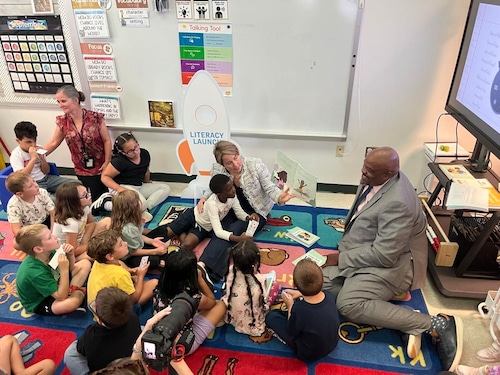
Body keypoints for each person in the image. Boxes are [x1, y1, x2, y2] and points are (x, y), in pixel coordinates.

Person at [321, 146, 463, 372]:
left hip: (394, 264)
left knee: (348, 305)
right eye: (365, 166)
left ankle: (436, 324)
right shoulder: (377, 176)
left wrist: (342, 258)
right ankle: (397, 318)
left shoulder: (399, 203)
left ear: (388, 174)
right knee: (317, 283)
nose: (362, 172)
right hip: (368, 250)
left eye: (368, 171)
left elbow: (385, 255)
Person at [197, 141, 294, 282]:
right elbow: (213, 186)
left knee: (235, 230)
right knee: (221, 229)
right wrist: (204, 198)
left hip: (256, 213)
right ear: (223, 165)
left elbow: (269, 187)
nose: (235, 164)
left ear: (239, 153)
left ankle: (210, 271)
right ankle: (203, 266)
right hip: (232, 207)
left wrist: (280, 197)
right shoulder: (218, 169)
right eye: (229, 163)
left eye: (236, 157)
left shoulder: (255, 165)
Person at [151, 174, 258, 261]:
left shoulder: (232, 197)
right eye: (229, 189)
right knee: (164, 234)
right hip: (191, 216)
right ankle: (145, 235)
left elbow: (239, 212)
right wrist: (238, 239)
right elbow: (218, 232)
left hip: (203, 227)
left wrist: (248, 217)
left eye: (232, 186)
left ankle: (181, 232)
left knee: (186, 246)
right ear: (220, 194)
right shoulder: (213, 204)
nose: (233, 190)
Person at [150, 247, 226, 358]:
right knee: (221, 305)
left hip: (160, 336)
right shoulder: (192, 296)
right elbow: (212, 301)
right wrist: (199, 278)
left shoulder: (160, 286)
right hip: (181, 345)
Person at [44, 85, 112, 200]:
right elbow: (54, 142)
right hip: (81, 168)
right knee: (89, 198)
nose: (60, 105)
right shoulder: (62, 121)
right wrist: (38, 155)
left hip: (101, 165)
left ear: (75, 100)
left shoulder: (95, 118)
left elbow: (107, 141)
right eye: (58, 102)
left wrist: (107, 162)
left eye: (63, 101)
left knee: (105, 195)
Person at [265, 258, 339, 362]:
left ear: (294, 285)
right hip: (332, 343)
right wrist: (300, 294)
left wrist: (290, 305)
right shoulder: (329, 295)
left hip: (307, 353)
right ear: (323, 279)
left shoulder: (299, 309)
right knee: (287, 316)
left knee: (271, 317)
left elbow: (291, 331)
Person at [14, 223, 91, 316]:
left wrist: (70, 255)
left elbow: (70, 269)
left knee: (85, 263)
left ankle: (73, 290)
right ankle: (75, 291)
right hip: (40, 301)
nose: (55, 237)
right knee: (72, 303)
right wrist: (63, 270)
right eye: (49, 237)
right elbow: (61, 297)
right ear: (38, 249)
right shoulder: (35, 272)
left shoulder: (49, 252)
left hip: (55, 283)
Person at [63, 287, 142, 375]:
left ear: (100, 321)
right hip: (130, 362)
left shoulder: (92, 335)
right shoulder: (134, 318)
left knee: (70, 352)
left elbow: (81, 349)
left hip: (106, 371)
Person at [94, 132, 170, 218]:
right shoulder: (119, 161)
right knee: (142, 203)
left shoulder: (144, 154)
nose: (136, 152)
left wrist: (147, 182)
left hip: (138, 186)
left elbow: (146, 170)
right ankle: (107, 202)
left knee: (165, 188)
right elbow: (104, 177)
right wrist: (120, 189)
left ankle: (146, 209)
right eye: (130, 151)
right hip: (122, 187)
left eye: (136, 147)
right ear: (123, 152)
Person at [86, 229, 158, 310]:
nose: (126, 243)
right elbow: (134, 299)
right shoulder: (120, 274)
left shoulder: (98, 261)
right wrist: (141, 276)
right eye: (121, 244)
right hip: (113, 314)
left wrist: (130, 271)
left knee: (135, 278)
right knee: (154, 283)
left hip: (96, 308)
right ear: (110, 256)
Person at [98, 190, 168, 270]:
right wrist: (154, 251)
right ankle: (159, 262)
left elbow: (138, 235)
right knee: (153, 260)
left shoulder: (132, 220)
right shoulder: (127, 229)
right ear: (131, 208)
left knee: (162, 231)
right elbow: (133, 251)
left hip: (138, 245)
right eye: (137, 201)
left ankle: (161, 258)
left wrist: (151, 241)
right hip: (130, 256)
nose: (140, 202)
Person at [221, 240, 269, 337]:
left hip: (232, 317)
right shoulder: (259, 282)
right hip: (252, 323)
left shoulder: (230, 270)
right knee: (274, 286)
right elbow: (261, 303)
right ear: (256, 262)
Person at [10, 121, 73, 195]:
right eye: (28, 142)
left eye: (34, 141)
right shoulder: (16, 155)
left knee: (76, 184)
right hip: (32, 183)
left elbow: (46, 171)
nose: (33, 145)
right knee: (53, 200)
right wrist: (33, 159)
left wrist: (42, 159)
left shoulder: (39, 148)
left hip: (46, 179)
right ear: (18, 141)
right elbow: (22, 177)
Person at [52, 181, 106, 262]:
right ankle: (76, 261)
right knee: (98, 253)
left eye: (87, 192)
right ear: (74, 202)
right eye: (85, 195)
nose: (89, 195)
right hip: (68, 254)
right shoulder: (70, 223)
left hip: (81, 241)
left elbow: (91, 223)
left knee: (107, 221)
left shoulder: (84, 207)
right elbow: (73, 251)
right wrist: (92, 244)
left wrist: (85, 240)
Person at [6, 171, 54, 236]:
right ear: (20, 194)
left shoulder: (42, 192)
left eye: (34, 181)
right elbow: (16, 231)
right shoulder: (13, 205)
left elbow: (53, 213)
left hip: (47, 220)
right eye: (30, 186)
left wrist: (52, 232)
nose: (36, 185)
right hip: (30, 230)